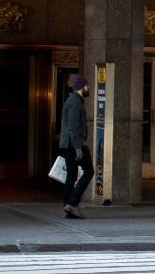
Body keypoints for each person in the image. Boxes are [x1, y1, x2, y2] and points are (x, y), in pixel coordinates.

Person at [59, 73, 94, 218]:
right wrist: (78, 148)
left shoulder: (73, 100)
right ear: (82, 87)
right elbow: (73, 126)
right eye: (87, 86)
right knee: (89, 171)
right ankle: (72, 203)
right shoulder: (75, 102)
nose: (88, 88)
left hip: (69, 144)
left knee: (71, 175)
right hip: (74, 144)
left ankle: (68, 207)